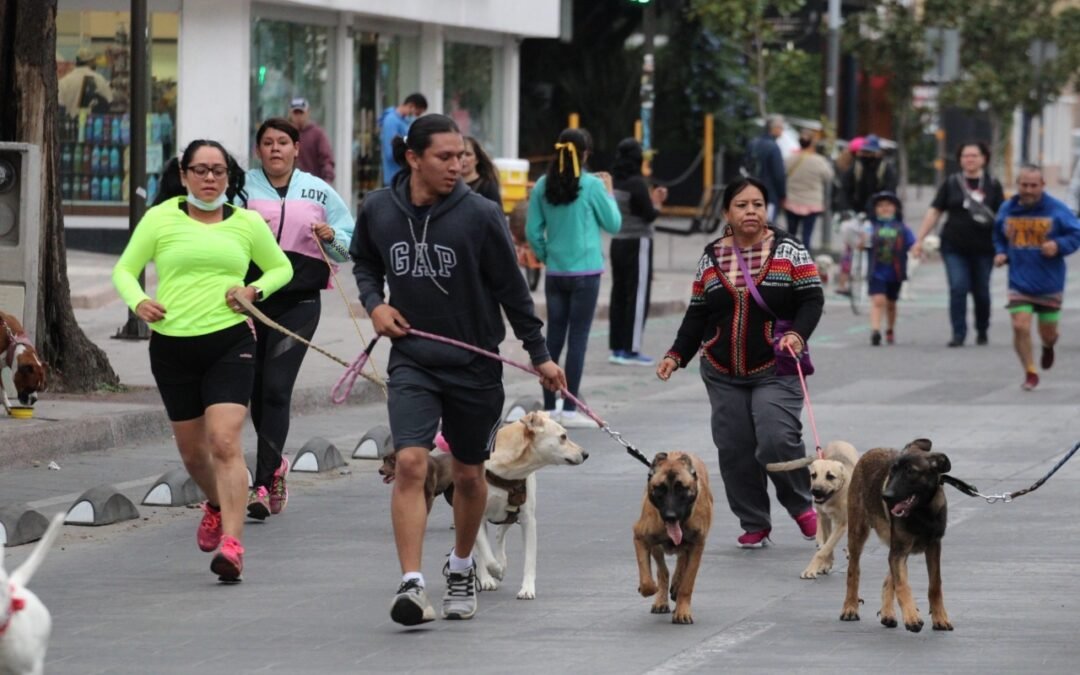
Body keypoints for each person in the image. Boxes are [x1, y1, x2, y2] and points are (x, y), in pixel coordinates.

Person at [350, 114, 567, 625]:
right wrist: (375, 305)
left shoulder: (481, 214)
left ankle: (462, 564)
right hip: (413, 360)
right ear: (413, 158)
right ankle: (411, 582)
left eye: (460, 156)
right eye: (444, 157)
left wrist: (540, 355)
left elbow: (514, 293)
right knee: (410, 462)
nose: (457, 166)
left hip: (475, 365)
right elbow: (363, 262)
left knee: (470, 475)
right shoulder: (379, 209)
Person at [112, 140, 293, 581]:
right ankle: (214, 502)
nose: (209, 179)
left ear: (230, 177)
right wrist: (139, 302)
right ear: (184, 173)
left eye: (218, 171)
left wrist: (253, 291)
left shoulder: (247, 223)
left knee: (225, 441)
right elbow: (123, 269)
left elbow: (280, 268)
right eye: (200, 170)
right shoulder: (160, 218)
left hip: (230, 342)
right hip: (172, 347)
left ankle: (232, 545)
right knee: (194, 455)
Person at [657, 177, 824, 548]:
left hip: (776, 366)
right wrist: (676, 355)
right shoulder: (712, 255)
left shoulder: (790, 250)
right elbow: (698, 313)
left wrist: (797, 334)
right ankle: (754, 520)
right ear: (726, 214)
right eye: (742, 205)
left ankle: (800, 506)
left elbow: (812, 299)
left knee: (775, 438)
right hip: (721, 369)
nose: (751, 211)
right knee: (734, 447)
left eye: (758, 204)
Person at [242, 117, 354, 519]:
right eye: (268, 143)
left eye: (283, 142)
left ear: (295, 149)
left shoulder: (318, 190)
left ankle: (262, 481)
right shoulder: (242, 189)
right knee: (255, 390)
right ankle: (275, 468)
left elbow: (348, 243)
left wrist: (333, 238)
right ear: (259, 151)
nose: (275, 149)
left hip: (300, 302)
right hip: (251, 301)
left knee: (276, 388)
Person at [525, 128, 622, 427]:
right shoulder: (592, 185)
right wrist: (608, 192)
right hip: (587, 272)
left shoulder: (542, 184)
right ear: (586, 154)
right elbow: (614, 224)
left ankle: (549, 406)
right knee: (577, 339)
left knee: (553, 338)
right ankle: (570, 408)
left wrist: (545, 255)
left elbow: (532, 230)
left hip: (556, 272)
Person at [992, 164, 1080, 390]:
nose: (1028, 190)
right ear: (1017, 184)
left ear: (1043, 185)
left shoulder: (1057, 209)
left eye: (1033, 185)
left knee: (1048, 334)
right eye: (1024, 185)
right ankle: (1030, 371)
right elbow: (998, 235)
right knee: (1020, 325)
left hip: (1049, 282)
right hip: (1019, 281)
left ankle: (1048, 346)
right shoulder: (1007, 209)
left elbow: (1075, 233)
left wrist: (1058, 245)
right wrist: (1001, 252)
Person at [912, 141, 1005, 346]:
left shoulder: (993, 184)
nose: (969, 159)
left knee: (981, 291)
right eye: (965, 156)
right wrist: (919, 239)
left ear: (984, 158)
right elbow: (935, 211)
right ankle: (959, 332)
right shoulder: (951, 182)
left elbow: (1003, 216)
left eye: (974, 155)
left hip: (984, 247)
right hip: (954, 246)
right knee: (958, 287)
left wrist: (1005, 247)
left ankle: (982, 328)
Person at [608, 137, 667, 366]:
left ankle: (617, 347)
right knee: (638, 295)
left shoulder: (614, 182)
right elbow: (649, 214)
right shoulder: (637, 183)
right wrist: (658, 201)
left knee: (619, 294)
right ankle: (632, 348)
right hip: (638, 242)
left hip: (618, 241)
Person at [863, 192, 915, 346]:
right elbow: (862, 243)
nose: (884, 208)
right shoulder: (870, 226)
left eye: (888, 205)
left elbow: (912, 243)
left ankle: (890, 329)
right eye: (880, 206)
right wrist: (860, 242)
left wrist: (918, 249)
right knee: (878, 300)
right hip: (876, 271)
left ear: (896, 208)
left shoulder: (902, 227)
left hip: (895, 271)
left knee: (891, 303)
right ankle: (875, 331)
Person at [783, 129, 834, 254]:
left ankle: (788, 259)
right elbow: (829, 176)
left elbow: (782, 173)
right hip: (812, 203)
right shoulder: (819, 161)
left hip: (792, 200)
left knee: (791, 234)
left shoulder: (790, 158)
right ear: (812, 143)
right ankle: (805, 263)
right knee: (807, 235)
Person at [379, 93, 429, 186]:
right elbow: (390, 153)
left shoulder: (404, 121)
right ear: (411, 106)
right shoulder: (391, 121)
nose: (416, 117)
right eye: (417, 113)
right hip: (394, 177)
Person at [743, 115, 786, 221]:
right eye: (781, 127)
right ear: (774, 128)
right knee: (767, 229)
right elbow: (778, 175)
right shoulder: (774, 147)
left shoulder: (752, 143)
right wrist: (782, 194)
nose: (782, 130)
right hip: (769, 194)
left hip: (750, 191)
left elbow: (745, 166)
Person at [843, 134, 897, 219]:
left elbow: (890, 191)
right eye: (864, 151)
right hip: (857, 211)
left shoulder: (885, 169)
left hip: (879, 212)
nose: (866, 155)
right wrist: (846, 209)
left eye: (869, 152)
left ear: (878, 153)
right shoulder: (856, 167)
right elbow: (845, 189)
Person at [287, 97, 335, 182]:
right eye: (295, 113)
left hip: (312, 185)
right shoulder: (285, 134)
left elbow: (326, 159)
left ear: (308, 112)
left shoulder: (317, 134)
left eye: (301, 112)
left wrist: (327, 179)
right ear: (290, 114)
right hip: (289, 185)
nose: (298, 116)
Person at [57, 48, 113, 117]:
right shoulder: (99, 79)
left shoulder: (64, 81)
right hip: (91, 125)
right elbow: (109, 102)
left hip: (69, 125)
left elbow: (59, 107)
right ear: (91, 62)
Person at [461, 135, 501, 205]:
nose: (463, 159)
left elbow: (496, 213)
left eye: (468, 154)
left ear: (477, 159)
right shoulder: (451, 184)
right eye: (459, 155)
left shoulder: (487, 186)